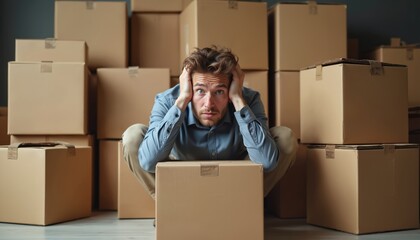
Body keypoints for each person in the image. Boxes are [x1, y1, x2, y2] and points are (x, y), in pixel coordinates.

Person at [122, 46, 298, 200]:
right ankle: (171, 206)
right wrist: (183, 100)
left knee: (285, 138)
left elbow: (266, 162)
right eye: (200, 91)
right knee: (132, 137)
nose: (209, 104)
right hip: (182, 183)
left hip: (236, 185)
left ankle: (243, 205)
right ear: (188, 85)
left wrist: (237, 99)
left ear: (230, 88)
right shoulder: (168, 101)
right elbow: (148, 161)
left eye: (219, 92)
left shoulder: (247, 100)